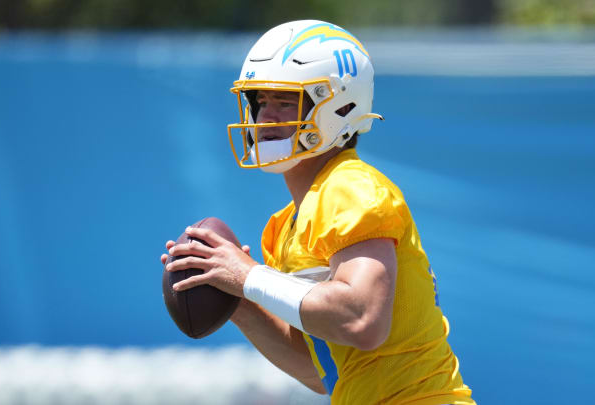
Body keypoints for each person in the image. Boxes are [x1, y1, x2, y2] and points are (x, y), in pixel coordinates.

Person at [161, 20, 475, 404]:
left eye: (285, 101)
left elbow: (362, 321)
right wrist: (237, 298)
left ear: (341, 106)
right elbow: (322, 371)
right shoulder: (286, 226)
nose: (266, 118)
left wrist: (248, 276)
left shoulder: (349, 185)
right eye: (261, 101)